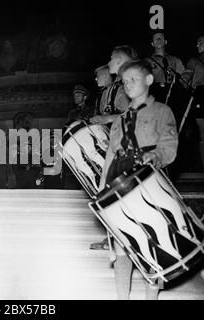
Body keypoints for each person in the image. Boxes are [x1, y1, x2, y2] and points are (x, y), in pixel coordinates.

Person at [100, 59, 178, 300]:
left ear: (149, 80)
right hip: (119, 180)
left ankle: (150, 297)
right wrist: (102, 190)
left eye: (133, 79)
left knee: (151, 243)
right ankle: (122, 297)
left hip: (148, 181)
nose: (128, 85)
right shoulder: (120, 120)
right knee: (122, 245)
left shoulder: (162, 111)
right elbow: (110, 156)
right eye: (124, 82)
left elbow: (169, 145)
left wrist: (154, 155)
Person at [89, 45, 137, 250]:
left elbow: (135, 115)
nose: (108, 62)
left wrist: (106, 118)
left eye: (111, 58)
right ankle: (114, 238)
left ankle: (121, 239)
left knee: (119, 193)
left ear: (121, 60)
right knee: (110, 192)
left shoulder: (127, 85)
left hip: (126, 147)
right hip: (116, 145)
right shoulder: (117, 87)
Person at [90, 45, 137, 126]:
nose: (108, 63)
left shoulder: (132, 83)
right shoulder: (116, 85)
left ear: (119, 61)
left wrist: (108, 118)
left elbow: (136, 117)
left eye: (111, 59)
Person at [181, 35, 204, 171]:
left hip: (200, 95)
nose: (197, 45)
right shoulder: (194, 61)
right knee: (202, 134)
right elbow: (186, 77)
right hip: (201, 95)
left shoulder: (194, 61)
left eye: (200, 42)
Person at [146, 31, 185, 104]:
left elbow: (184, 78)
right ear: (152, 43)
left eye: (161, 37)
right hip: (154, 94)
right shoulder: (147, 61)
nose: (158, 40)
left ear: (165, 42)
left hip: (171, 93)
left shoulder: (175, 60)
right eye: (155, 38)